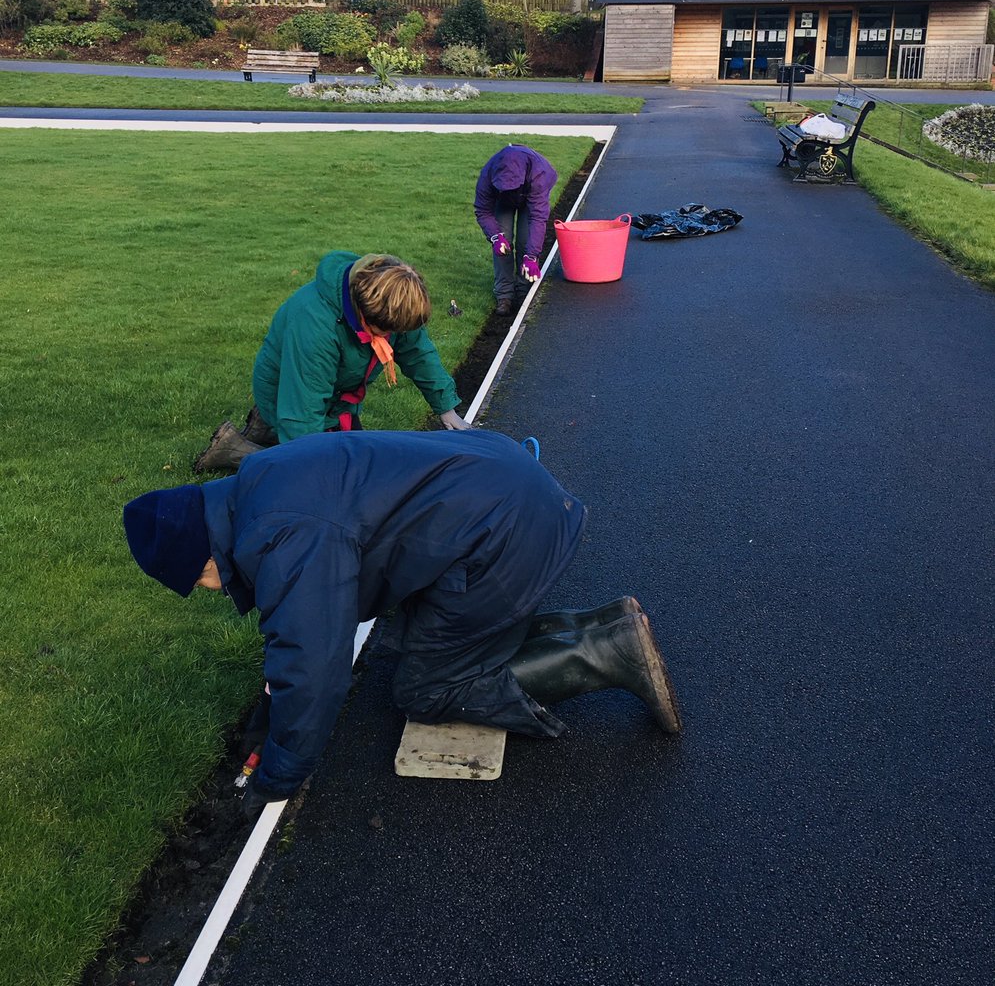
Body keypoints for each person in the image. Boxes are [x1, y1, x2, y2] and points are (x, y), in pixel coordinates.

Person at [123, 429, 682, 819]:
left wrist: (278, 775)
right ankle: (599, 623)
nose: (208, 591)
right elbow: (305, 619)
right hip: (505, 490)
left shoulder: (283, 537)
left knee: (426, 687)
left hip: (507, 534)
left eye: (197, 581)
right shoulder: (261, 481)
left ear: (202, 556)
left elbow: (314, 663)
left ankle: (607, 651)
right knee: (422, 642)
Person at [194, 251, 470, 472]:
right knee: (322, 468)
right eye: (384, 331)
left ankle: (264, 428)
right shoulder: (315, 326)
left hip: (337, 399)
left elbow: (417, 351)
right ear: (363, 311)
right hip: (289, 393)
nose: (389, 339)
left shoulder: (389, 300)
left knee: (354, 463)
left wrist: (445, 407)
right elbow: (303, 413)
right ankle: (232, 449)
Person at [474, 144, 558, 316]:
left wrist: (532, 255)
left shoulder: (539, 175)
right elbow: (483, 211)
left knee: (525, 240)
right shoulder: (488, 175)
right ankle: (504, 295)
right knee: (502, 244)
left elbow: (538, 218)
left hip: (530, 194)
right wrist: (495, 237)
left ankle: (523, 290)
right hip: (502, 201)